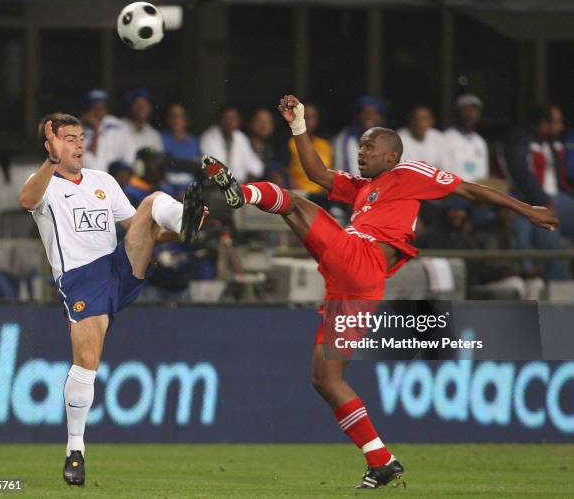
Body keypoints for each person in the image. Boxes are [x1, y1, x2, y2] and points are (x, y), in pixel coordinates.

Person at [199, 95, 558, 489]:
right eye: (361, 144)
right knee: (325, 377)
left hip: (363, 259)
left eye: (371, 146)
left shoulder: (410, 173)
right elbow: (317, 172)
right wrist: (298, 125)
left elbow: (470, 190)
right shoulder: (362, 187)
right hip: (352, 285)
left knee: (293, 204)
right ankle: (381, 459)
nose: (362, 151)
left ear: (392, 156)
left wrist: (528, 209)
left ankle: (239, 195)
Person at [18, 113, 205, 486]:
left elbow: (141, 229)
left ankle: (186, 217)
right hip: (81, 279)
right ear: (50, 144)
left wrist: (180, 230)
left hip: (118, 267)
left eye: (80, 137)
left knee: (152, 202)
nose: (78, 144)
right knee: (87, 361)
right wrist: (52, 163)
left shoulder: (103, 181)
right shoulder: (43, 185)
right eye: (69, 138)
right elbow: (26, 200)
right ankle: (75, 450)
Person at [503, 104, 572, 280]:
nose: (561, 127)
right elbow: (521, 175)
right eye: (556, 122)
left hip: (559, 198)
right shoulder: (521, 141)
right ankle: (558, 287)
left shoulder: (553, 144)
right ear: (543, 123)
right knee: (548, 226)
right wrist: (544, 200)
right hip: (537, 198)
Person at [200, 106, 264, 183]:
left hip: (239, 184)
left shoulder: (240, 137)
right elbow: (214, 168)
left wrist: (250, 174)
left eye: (233, 118)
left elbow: (255, 166)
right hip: (216, 185)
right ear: (220, 120)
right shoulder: (209, 137)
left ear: (238, 121)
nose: (229, 122)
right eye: (226, 118)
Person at [81, 89, 135, 172]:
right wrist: (96, 131)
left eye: (102, 107)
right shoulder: (77, 130)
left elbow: (130, 155)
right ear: (86, 111)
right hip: (92, 179)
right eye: (95, 107)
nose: (99, 111)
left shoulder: (118, 126)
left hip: (118, 178)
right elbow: (86, 162)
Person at [333, 95, 384, 176]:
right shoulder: (344, 139)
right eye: (365, 112)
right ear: (357, 115)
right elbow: (340, 171)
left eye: (373, 113)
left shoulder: (385, 140)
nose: (369, 116)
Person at [443, 94, 489, 181]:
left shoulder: (480, 142)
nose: (470, 115)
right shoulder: (445, 138)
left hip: (476, 191)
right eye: (466, 110)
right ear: (457, 113)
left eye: (474, 111)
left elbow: (484, 176)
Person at [288, 102, 332, 193]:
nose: (309, 120)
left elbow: (331, 173)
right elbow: (285, 172)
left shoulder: (326, 145)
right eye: (306, 116)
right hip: (297, 194)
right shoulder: (291, 143)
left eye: (313, 117)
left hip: (322, 197)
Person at [121, 87, 164, 154]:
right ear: (130, 106)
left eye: (145, 104)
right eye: (138, 103)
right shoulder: (118, 128)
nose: (142, 107)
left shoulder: (154, 135)